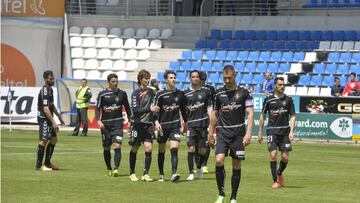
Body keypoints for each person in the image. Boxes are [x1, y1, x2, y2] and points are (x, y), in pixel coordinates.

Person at [208, 65, 254, 203]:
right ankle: (221, 194)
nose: (227, 80)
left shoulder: (244, 93)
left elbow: (251, 113)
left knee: (236, 164)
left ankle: (233, 197)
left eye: (229, 77)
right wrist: (210, 132)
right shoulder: (218, 94)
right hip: (222, 132)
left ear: (235, 74)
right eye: (225, 77)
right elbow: (215, 114)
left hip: (238, 134)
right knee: (218, 160)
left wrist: (248, 133)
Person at [257, 77, 296, 189]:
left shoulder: (288, 100)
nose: (281, 86)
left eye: (283, 85)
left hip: (284, 132)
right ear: (275, 85)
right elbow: (263, 115)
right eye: (279, 84)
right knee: (273, 154)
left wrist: (292, 131)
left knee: (285, 158)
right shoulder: (268, 100)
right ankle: (275, 181)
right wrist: (260, 131)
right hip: (272, 131)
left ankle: (279, 173)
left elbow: (293, 116)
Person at [151, 70, 187, 182]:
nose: (173, 79)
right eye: (171, 78)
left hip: (175, 126)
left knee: (174, 148)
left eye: (174, 77)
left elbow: (183, 110)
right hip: (162, 127)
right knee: (161, 150)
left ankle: (174, 173)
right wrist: (156, 122)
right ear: (166, 80)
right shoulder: (160, 94)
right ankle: (161, 175)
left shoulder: (180, 94)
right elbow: (155, 111)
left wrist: (185, 123)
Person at [95, 73, 132, 177]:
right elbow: (97, 108)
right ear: (108, 82)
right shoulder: (102, 94)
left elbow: (128, 108)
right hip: (105, 125)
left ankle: (116, 168)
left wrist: (130, 121)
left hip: (118, 124)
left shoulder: (122, 94)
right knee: (106, 147)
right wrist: (98, 120)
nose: (115, 83)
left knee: (117, 145)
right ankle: (109, 168)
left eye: (116, 81)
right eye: (113, 82)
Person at [128, 70, 157, 182]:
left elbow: (155, 106)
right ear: (141, 79)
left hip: (148, 124)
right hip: (137, 124)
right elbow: (135, 110)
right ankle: (132, 172)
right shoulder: (136, 93)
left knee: (149, 148)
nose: (148, 80)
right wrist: (149, 109)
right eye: (146, 78)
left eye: (149, 78)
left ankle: (146, 173)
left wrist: (156, 121)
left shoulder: (151, 92)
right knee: (135, 147)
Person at [183, 70, 212, 181]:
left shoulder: (206, 92)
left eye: (197, 77)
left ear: (200, 79)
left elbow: (209, 108)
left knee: (202, 150)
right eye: (193, 76)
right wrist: (183, 123)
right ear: (190, 78)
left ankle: (199, 168)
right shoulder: (185, 93)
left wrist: (211, 123)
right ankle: (191, 172)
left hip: (203, 124)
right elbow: (183, 110)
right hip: (191, 124)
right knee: (191, 148)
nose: (195, 78)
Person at [35, 70, 65, 171]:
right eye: (50, 78)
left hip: (49, 118)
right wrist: (54, 122)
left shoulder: (51, 90)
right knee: (44, 140)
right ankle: (38, 166)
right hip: (44, 118)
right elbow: (45, 108)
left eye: (53, 78)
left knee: (53, 140)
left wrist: (59, 116)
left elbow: (51, 105)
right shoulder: (44, 90)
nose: (53, 80)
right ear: (45, 79)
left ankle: (47, 163)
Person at [198, 71, 216, 174]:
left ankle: (204, 165)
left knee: (207, 142)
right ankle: (198, 164)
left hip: (207, 118)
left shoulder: (210, 89)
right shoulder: (192, 90)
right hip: (196, 118)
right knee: (196, 144)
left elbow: (213, 103)